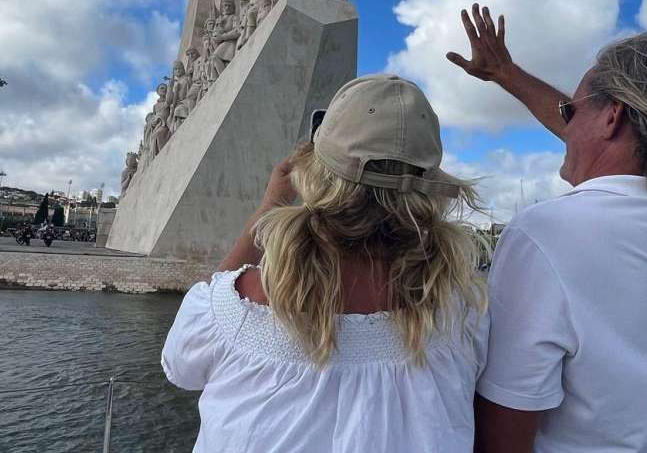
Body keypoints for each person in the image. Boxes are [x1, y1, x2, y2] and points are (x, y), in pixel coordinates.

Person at [449, 4, 647, 453]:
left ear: (613, 116)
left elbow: (503, 436)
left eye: (569, 110)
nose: (564, 123)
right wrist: (506, 73)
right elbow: (610, 142)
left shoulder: (546, 234)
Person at [161, 74, 488, 452]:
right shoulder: (464, 312)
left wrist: (269, 207)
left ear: (316, 172)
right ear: (429, 182)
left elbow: (180, 366)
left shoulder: (236, 308)